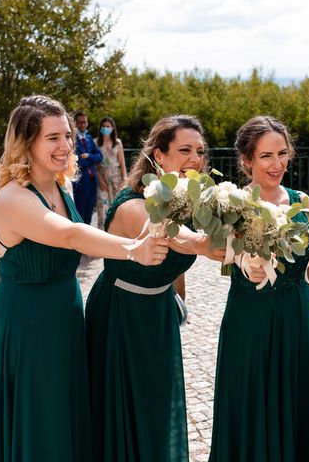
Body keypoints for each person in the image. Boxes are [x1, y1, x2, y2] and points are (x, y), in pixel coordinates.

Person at [0, 95, 170, 462]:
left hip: (67, 318)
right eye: (52, 137)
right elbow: (71, 235)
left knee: (68, 417)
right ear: (26, 142)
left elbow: (85, 232)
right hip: (28, 327)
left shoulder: (62, 186)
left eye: (68, 135)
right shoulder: (12, 198)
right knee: (40, 423)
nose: (66, 145)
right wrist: (134, 248)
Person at [85, 115, 225, 462]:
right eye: (184, 150)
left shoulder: (192, 203)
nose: (196, 159)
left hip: (159, 315)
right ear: (159, 156)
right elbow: (170, 234)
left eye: (200, 151)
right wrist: (204, 245)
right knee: (123, 408)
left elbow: (175, 266)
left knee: (157, 404)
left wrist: (178, 300)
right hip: (121, 315)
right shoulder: (133, 205)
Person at [208, 116, 309, 462]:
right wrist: (241, 260)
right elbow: (219, 255)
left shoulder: (301, 201)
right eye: (266, 156)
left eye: (282, 153)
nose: (277, 164)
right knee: (250, 400)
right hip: (250, 318)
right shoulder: (229, 204)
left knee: (298, 402)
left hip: (298, 316)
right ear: (247, 161)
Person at [95, 116, 127, 229]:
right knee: (102, 206)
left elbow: (122, 163)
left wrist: (124, 180)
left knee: (117, 207)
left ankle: (115, 232)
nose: (105, 128)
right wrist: (100, 180)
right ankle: (102, 233)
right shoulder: (95, 143)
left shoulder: (117, 143)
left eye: (108, 126)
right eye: (103, 126)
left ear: (112, 128)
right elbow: (94, 165)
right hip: (102, 177)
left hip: (116, 178)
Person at [73, 111, 103, 224]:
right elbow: (77, 161)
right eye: (79, 122)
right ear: (75, 123)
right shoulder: (72, 139)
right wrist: (91, 160)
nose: (82, 125)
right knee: (80, 213)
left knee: (89, 213)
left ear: (87, 123)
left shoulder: (89, 138)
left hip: (92, 181)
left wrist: (89, 156)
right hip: (80, 182)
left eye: (84, 122)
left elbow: (100, 157)